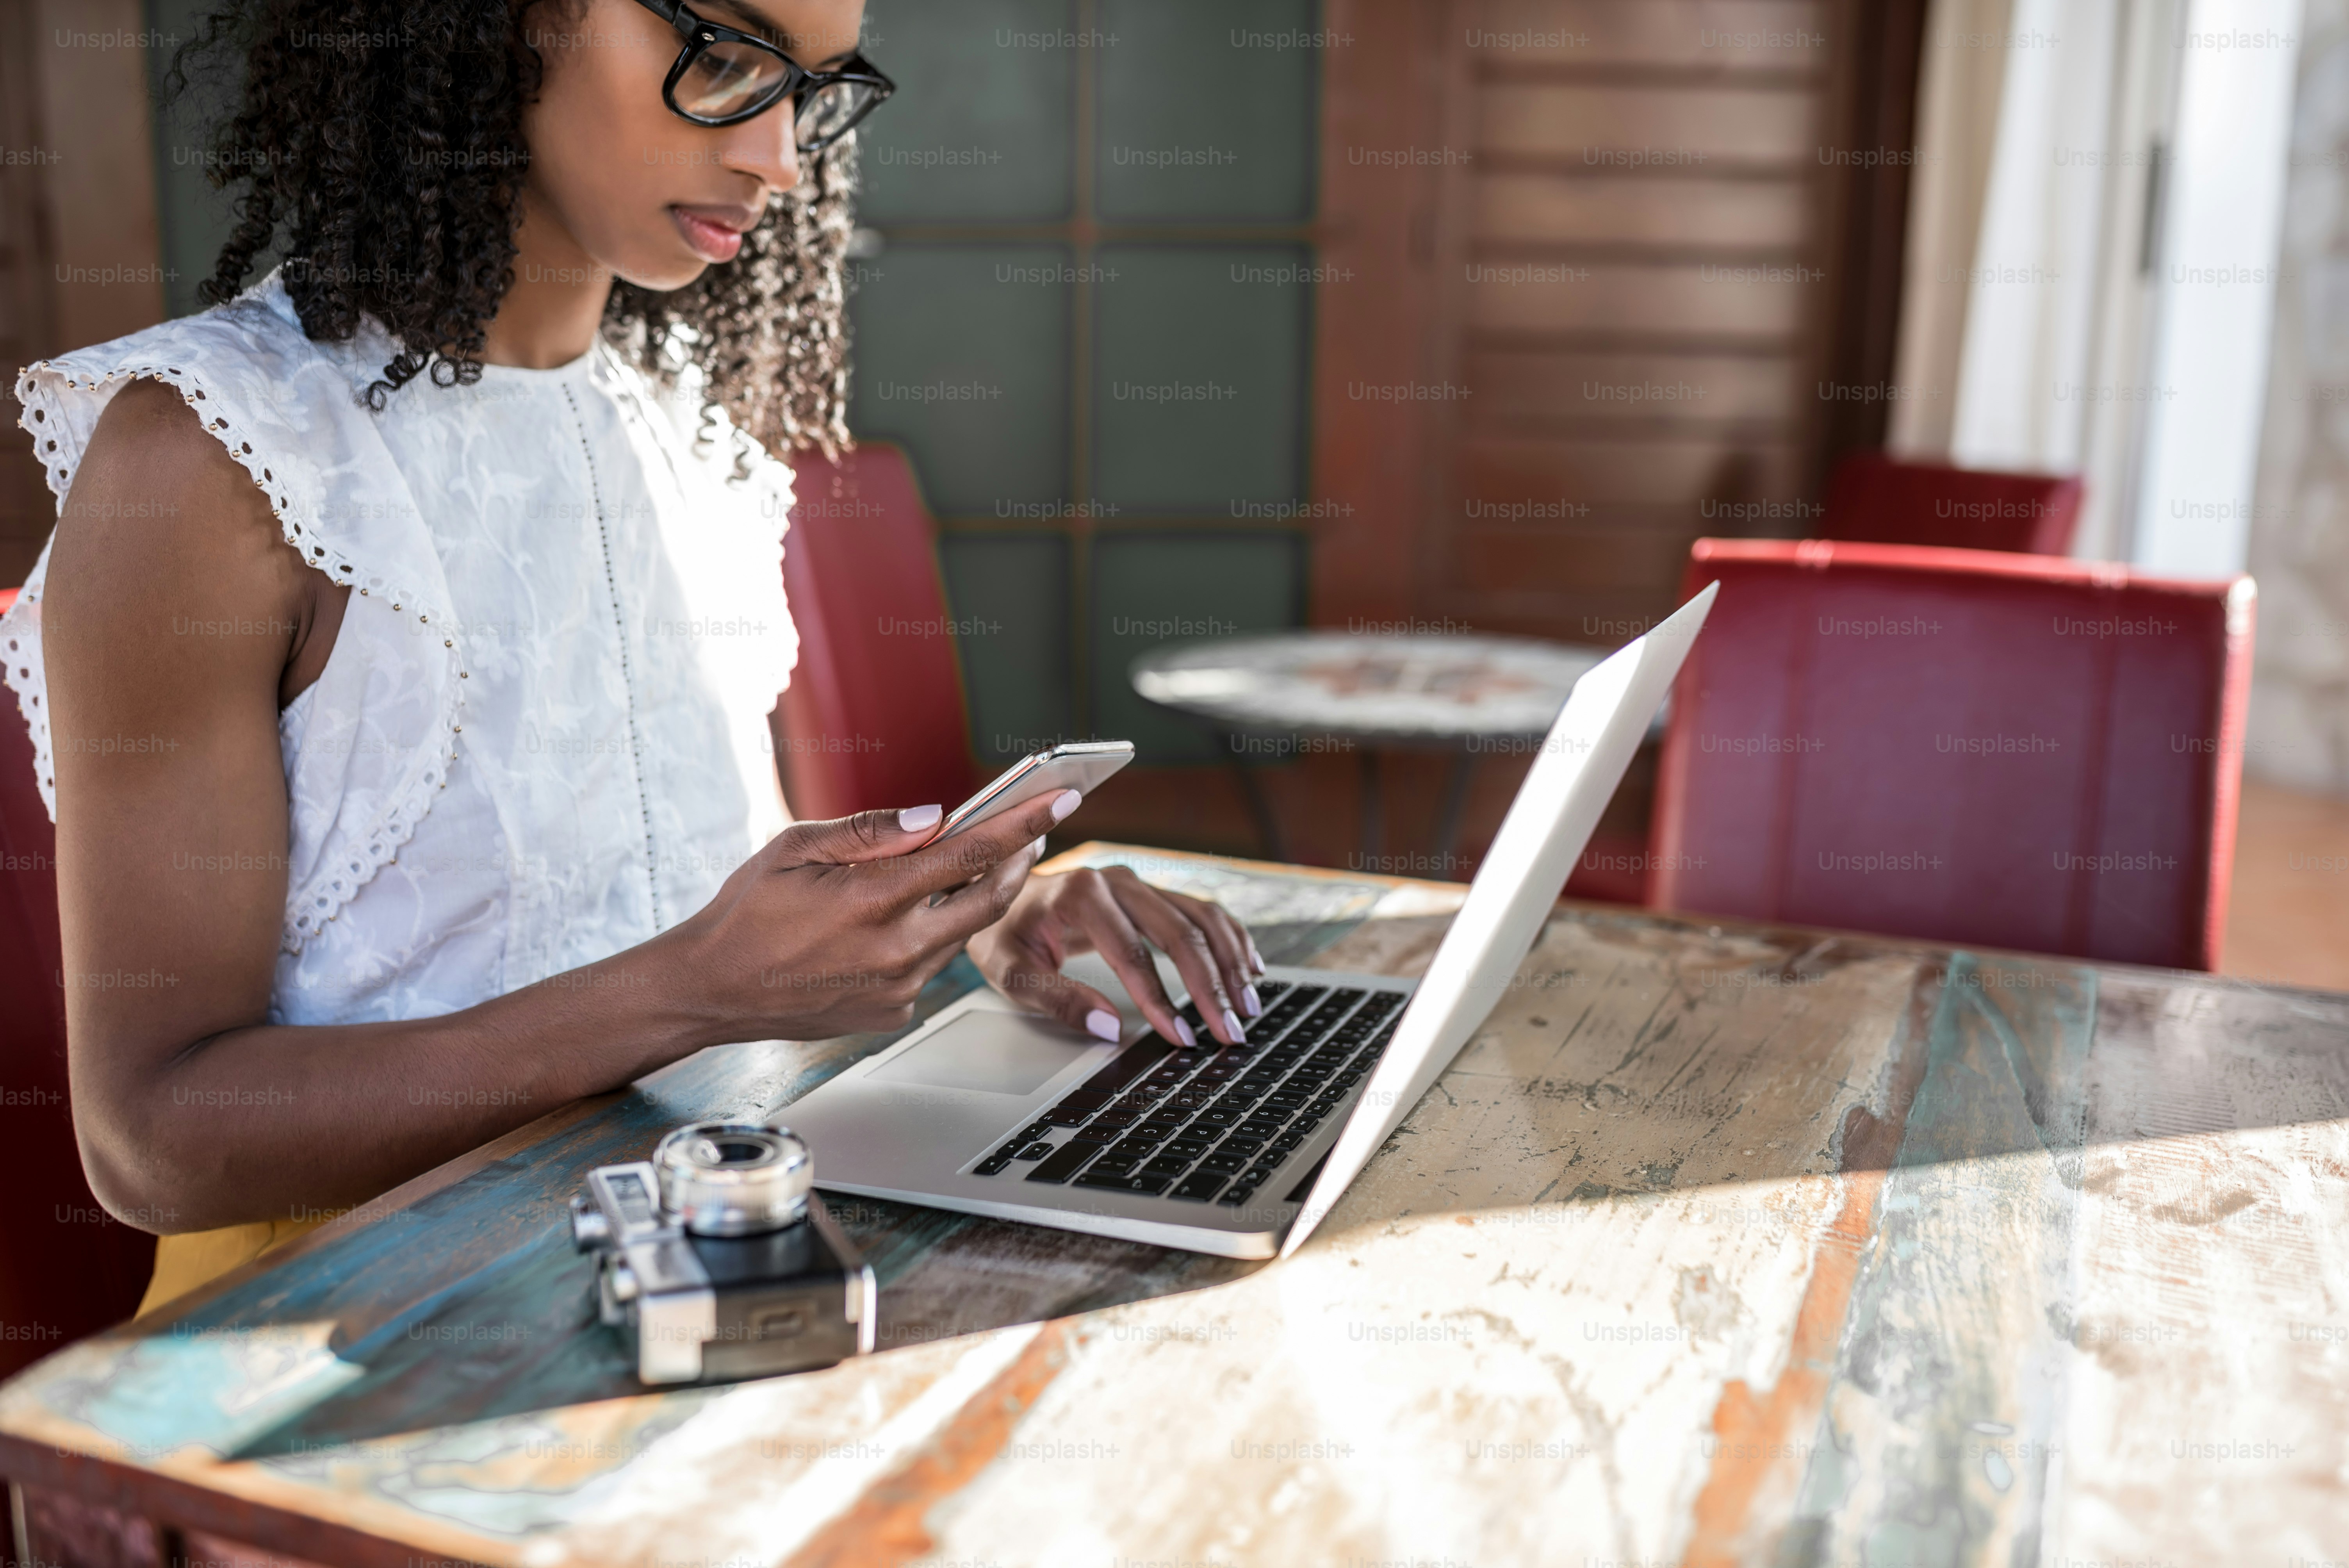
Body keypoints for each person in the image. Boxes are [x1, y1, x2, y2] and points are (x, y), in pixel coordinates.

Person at [1, 0, 1262, 1313]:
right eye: (724, 59)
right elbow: (151, 1142)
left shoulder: (682, 437)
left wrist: (974, 928)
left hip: (691, 1258)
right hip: (341, 1341)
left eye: (815, 91)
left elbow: (711, 907)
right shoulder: (209, 457)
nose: (781, 157)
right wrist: (689, 995)